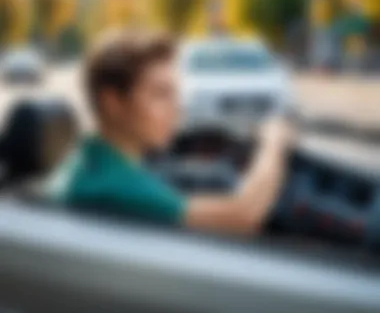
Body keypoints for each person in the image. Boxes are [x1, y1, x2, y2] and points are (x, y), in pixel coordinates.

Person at [48, 31, 293, 235]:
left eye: (175, 94)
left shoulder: (93, 156)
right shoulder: (111, 182)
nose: (177, 109)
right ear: (112, 103)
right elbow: (244, 215)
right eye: (160, 94)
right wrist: (273, 141)